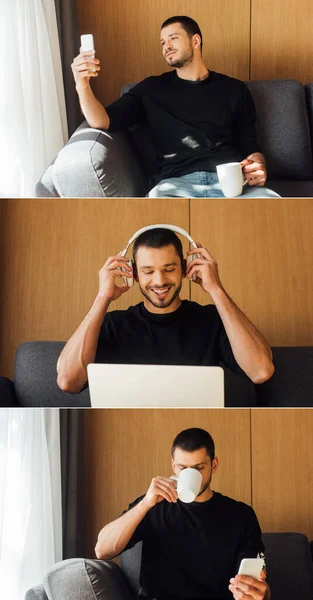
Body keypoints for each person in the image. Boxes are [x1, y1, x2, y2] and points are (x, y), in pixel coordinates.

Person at [71, 15, 280, 199]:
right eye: (162, 42)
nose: (166, 46)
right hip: (175, 184)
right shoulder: (150, 89)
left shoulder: (234, 89)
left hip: (230, 181)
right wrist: (82, 85)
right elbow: (101, 120)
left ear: (195, 40)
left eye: (173, 38)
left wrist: (258, 166)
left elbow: (249, 144)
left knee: (275, 211)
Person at [57, 227, 274, 394]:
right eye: (148, 271)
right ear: (133, 274)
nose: (159, 281)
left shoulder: (212, 320)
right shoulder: (113, 324)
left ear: (185, 268)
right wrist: (102, 297)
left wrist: (216, 289)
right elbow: (68, 381)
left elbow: (261, 371)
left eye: (169, 269)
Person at [95, 427, 271, 600]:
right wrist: (145, 504)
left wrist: (258, 594)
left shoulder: (241, 515)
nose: (190, 474)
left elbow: (259, 584)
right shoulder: (154, 505)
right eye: (182, 468)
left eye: (199, 468)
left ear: (214, 465)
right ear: (173, 465)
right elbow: (102, 550)